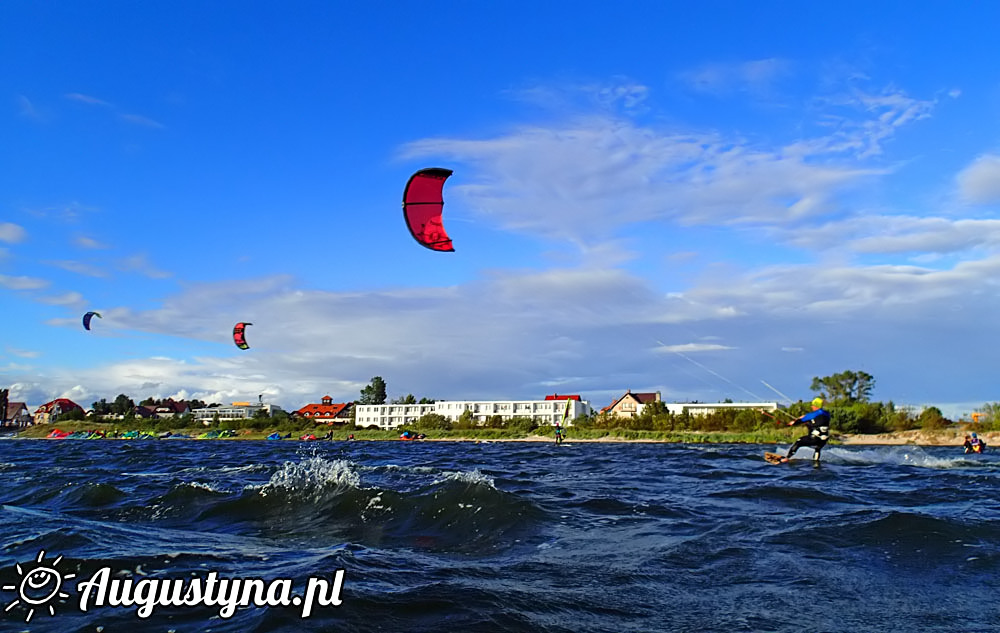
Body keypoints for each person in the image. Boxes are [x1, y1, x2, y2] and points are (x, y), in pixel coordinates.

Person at [781, 397, 830, 463]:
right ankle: (816, 462)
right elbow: (817, 421)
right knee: (817, 449)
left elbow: (799, 421)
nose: (811, 406)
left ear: (816, 406)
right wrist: (808, 421)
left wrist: (792, 423)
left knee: (799, 442)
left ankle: (787, 458)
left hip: (814, 437)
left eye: (813, 405)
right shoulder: (827, 414)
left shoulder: (812, 414)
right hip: (824, 438)